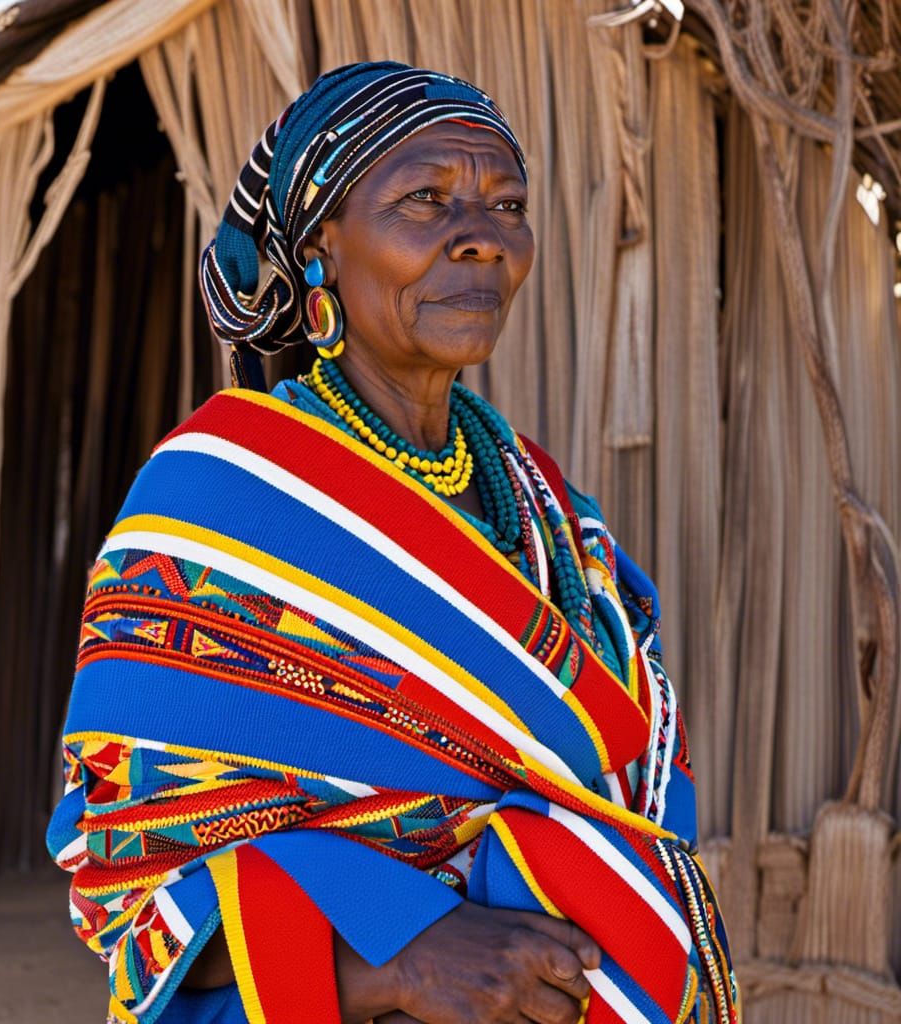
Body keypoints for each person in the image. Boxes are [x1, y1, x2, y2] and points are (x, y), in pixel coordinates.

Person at [47, 62, 738, 1024]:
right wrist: (397, 965)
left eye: (508, 205)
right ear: (323, 243)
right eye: (426, 199)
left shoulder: (551, 511)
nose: (483, 240)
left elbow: (642, 781)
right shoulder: (215, 499)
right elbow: (133, 886)